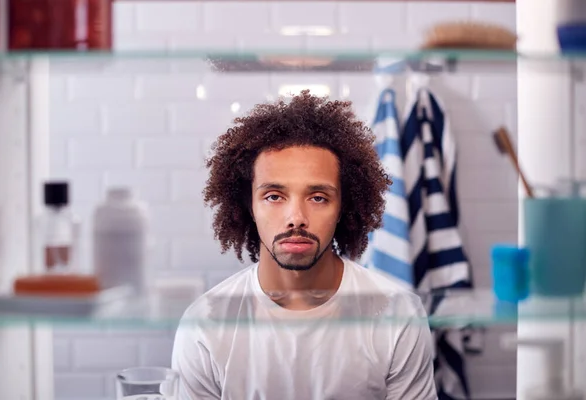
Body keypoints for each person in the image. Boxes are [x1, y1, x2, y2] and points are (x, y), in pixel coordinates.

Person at [171, 90, 437, 400]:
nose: (296, 218)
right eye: (274, 196)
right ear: (249, 207)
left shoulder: (398, 314)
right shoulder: (204, 324)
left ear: (342, 209)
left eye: (318, 198)